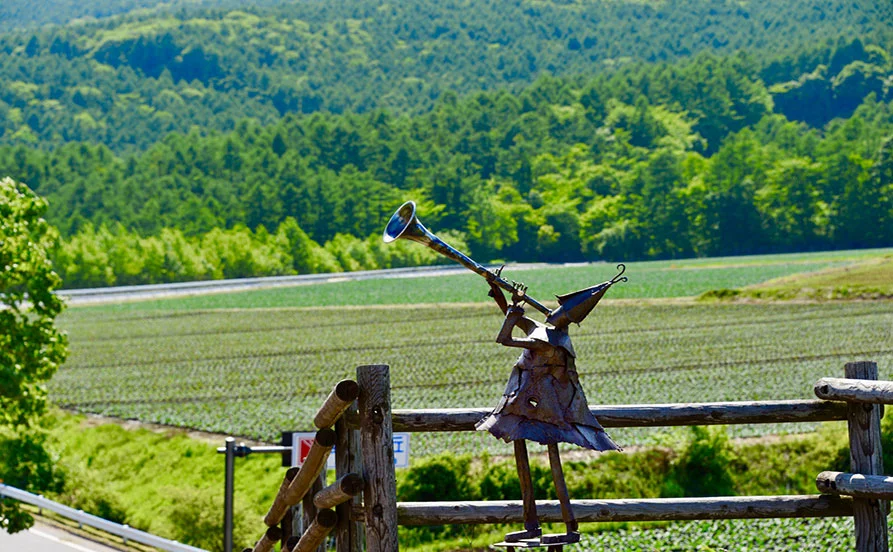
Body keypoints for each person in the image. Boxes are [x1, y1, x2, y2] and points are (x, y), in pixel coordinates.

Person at [477, 267, 625, 546]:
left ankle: (569, 525)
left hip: (547, 409)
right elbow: (518, 319)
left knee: (553, 461)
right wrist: (501, 294)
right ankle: (530, 524)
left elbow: (505, 338)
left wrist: (512, 315)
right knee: (521, 459)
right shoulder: (544, 330)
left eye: (561, 310)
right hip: (522, 405)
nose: (555, 310)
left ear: (566, 317)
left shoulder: (550, 341)